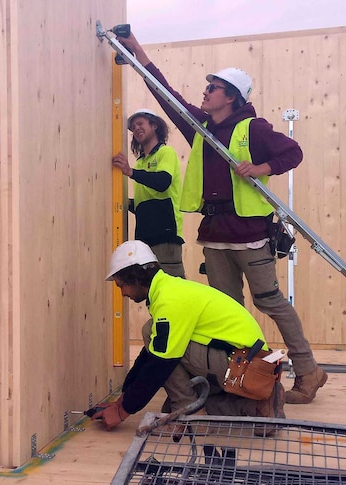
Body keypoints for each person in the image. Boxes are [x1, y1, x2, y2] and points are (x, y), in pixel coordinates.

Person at [115, 32, 327, 405]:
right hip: (214, 234)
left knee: (270, 301)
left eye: (213, 88)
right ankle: (238, 381)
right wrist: (139, 52)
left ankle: (309, 372)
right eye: (207, 87)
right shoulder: (201, 127)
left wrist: (261, 166)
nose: (206, 92)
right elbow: (169, 98)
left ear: (231, 96)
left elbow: (293, 152)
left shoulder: (252, 128)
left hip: (249, 233)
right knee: (227, 310)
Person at [92, 240, 285, 432]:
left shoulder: (169, 300)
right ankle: (257, 409)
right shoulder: (169, 289)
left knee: (166, 356)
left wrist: (122, 412)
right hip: (244, 362)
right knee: (169, 404)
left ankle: (190, 418)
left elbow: (158, 363)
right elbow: (148, 356)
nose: (123, 293)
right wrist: (122, 401)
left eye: (121, 286)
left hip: (249, 367)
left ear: (134, 278)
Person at [112, 109, 185, 278]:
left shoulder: (165, 153)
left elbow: (162, 182)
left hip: (166, 235)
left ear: (154, 125)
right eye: (133, 127)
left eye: (140, 124)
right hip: (146, 237)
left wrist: (130, 172)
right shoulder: (140, 163)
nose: (136, 129)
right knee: (153, 289)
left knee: (174, 288)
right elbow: (144, 204)